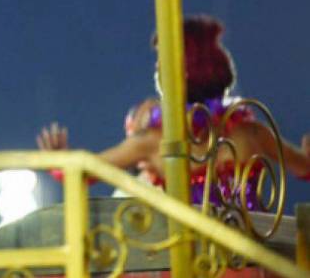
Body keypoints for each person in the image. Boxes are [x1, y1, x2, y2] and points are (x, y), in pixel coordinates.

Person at [37, 15, 310, 208]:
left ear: (179, 74)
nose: (157, 69)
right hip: (251, 262)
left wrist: (58, 162)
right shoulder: (254, 134)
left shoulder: (154, 141)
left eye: (162, 62)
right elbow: (304, 167)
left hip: (185, 264)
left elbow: (82, 173)